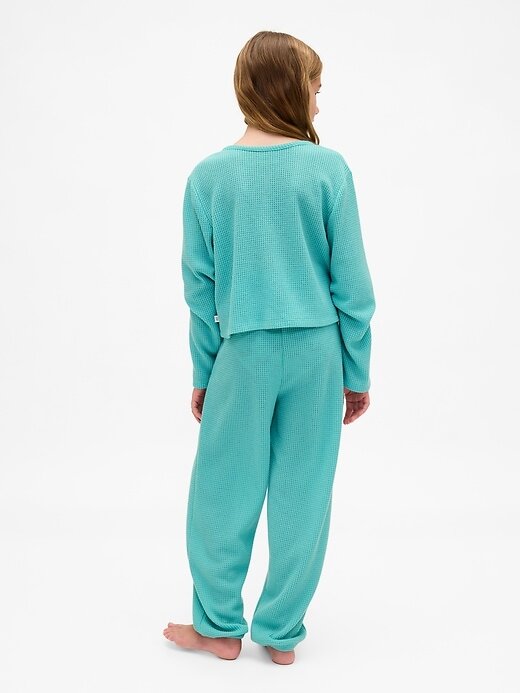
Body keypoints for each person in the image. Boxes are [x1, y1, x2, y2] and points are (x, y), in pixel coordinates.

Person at [163, 30, 376, 666]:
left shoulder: (208, 178)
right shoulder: (329, 170)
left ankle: (219, 626)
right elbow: (353, 288)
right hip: (318, 354)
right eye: (315, 86)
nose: (319, 100)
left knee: (221, 489)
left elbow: (200, 291)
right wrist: (356, 370)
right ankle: (281, 634)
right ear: (291, 89)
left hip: (243, 352)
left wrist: (205, 371)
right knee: (304, 492)